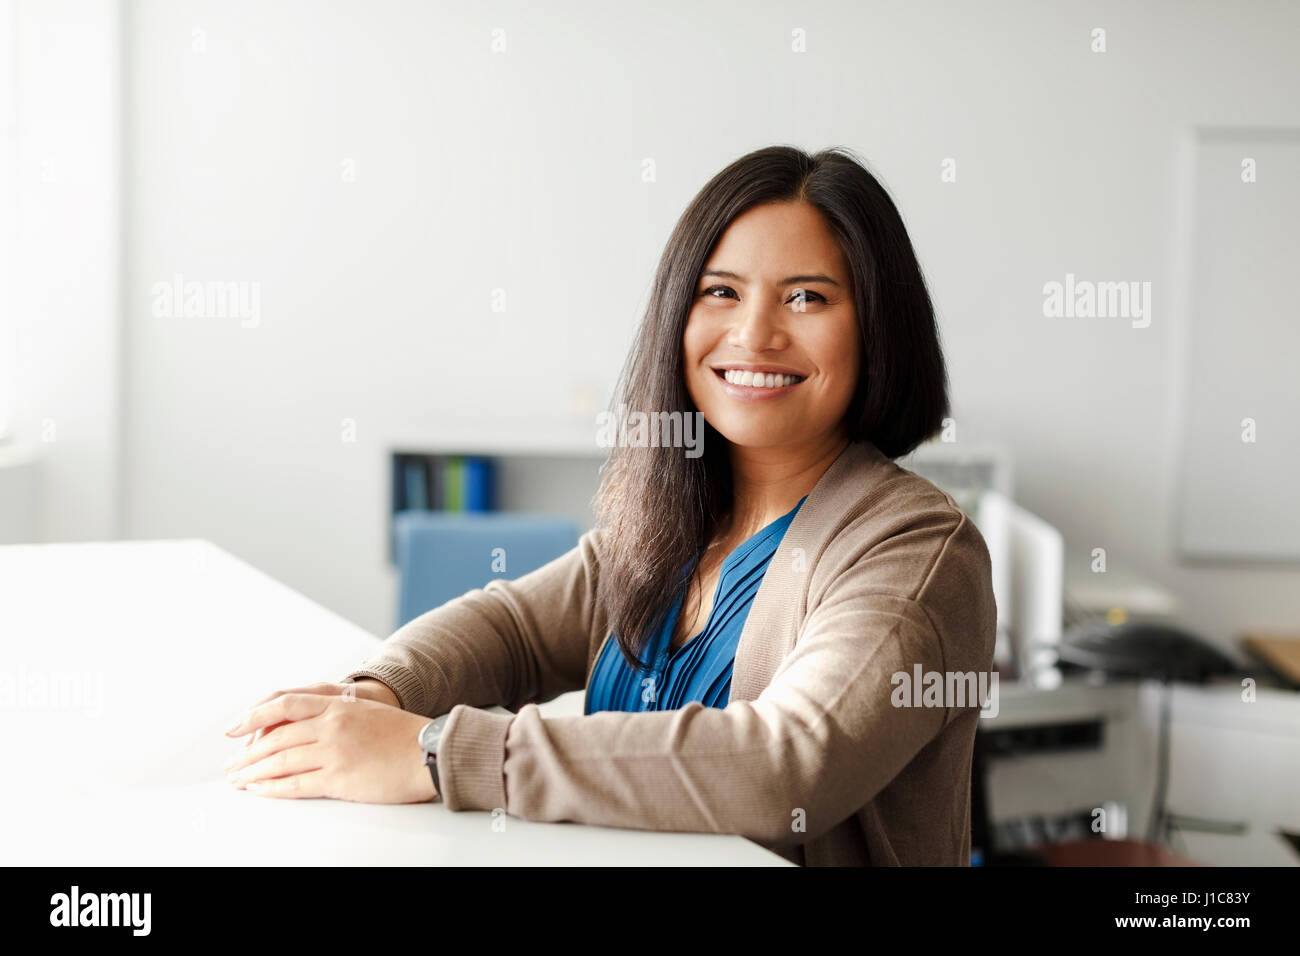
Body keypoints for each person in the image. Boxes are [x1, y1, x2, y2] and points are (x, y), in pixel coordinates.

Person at [223, 144, 997, 866]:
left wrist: (435, 751)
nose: (754, 333)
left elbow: (784, 769)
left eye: (806, 297)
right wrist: (378, 695)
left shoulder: (916, 550)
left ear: (877, 328)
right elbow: (515, 628)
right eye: (720, 292)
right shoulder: (680, 513)